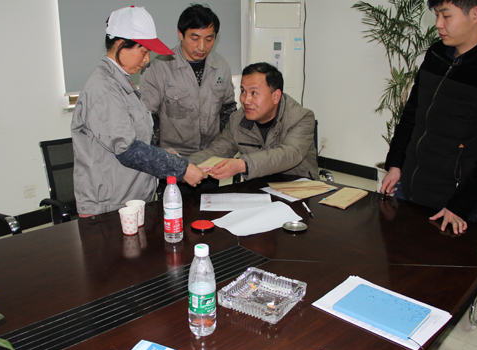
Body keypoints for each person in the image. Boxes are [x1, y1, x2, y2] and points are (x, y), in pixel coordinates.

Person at [380, 0, 477, 234]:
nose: (438, 24)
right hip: (409, 184)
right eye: (437, 14)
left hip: (453, 199)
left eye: (446, 16)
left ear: (475, 14)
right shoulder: (437, 53)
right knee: (398, 250)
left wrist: (461, 205)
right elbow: (411, 113)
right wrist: (396, 164)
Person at [71, 6, 207, 217]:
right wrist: (181, 168)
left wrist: (164, 156)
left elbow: (136, 138)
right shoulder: (103, 89)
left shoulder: (121, 83)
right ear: (120, 44)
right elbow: (128, 150)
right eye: (143, 51)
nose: (147, 60)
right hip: (109, 207)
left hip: (132, 199)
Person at [139, 4, 236, 194]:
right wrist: (163, 163)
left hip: (210, 163)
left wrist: (226, 153)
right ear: (180, 34)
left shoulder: (221, 65)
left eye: (209, 39)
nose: (202, 47)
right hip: (175, 165)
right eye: (195, 38)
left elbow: (228, 113)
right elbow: (148, 122)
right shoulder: (159, 67)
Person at [188, 62, 319, 181]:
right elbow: (217, 150)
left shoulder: (301, 117)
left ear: (276, 96)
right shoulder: (237, 119)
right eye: (243, 91)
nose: (246, 100)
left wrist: (242, 164)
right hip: (259, 188)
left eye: (254, 93)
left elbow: (289, 154)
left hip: (298, 186)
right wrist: (184, 166)